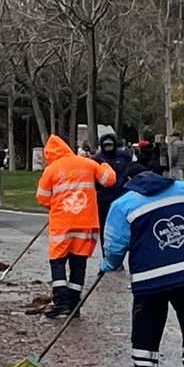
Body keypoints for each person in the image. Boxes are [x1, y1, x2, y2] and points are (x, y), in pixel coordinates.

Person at [100, 168, 184, 367]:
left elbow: (115, 244)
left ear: (130, 181)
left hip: (148, 276)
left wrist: (110, 265)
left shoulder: (122, 205)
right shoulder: (180, 189)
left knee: (147, 321)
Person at [36, 135, 116, 318]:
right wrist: (104, 165)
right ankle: (73, 303)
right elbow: (108, 180)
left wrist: (54, 204)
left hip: (62, 224)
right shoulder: (87, 163)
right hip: (86, 222)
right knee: (78, 262)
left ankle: (61, 302)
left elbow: (42, 197)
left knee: (58, 261)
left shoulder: (51, 170)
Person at [92, 134, 134, 236]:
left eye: (110, 145)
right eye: (106, 145)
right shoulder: (97, 159)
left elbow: (130, 169)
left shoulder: (123, 156)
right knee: (105, 225)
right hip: (103, 196)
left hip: (121, 194)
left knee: (121, 224)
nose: (108, 148)